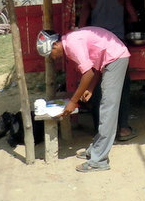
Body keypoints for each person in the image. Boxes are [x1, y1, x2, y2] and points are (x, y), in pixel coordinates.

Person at [36, 27, 130, 172]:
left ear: (55, 44)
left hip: (116, 57)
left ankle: (99, 161)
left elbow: (87, 74)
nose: (53, 58)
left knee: (108, 109)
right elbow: (94, 68)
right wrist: (90, 88)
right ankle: (96, 150)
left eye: (51, 54)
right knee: (104, 108)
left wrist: (73, 101)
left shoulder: (72, 44)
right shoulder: (70, 41)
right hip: (111, 57)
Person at [79, 0, 138, 141]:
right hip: (118, 46)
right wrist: (123, 22)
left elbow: (81, 25)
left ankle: (99, 129)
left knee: (97, 88)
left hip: (97, 49)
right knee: (121, 87)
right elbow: (134, 17)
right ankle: (123, 129)